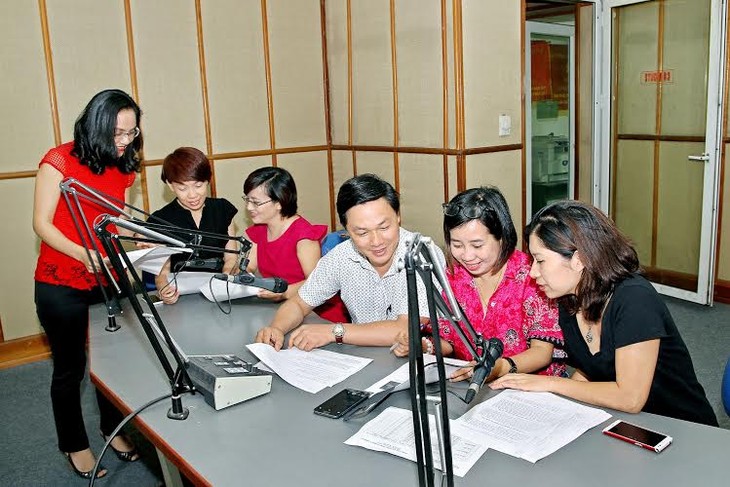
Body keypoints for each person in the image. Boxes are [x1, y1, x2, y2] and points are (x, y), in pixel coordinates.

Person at [490, 201, 718, 426]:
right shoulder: (568, 300)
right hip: (626, 424)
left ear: (579, 260)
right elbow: (591, 367)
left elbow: (630, 398)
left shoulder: (634, 299)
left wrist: (551, 384)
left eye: (540, 260)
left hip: (682, 427)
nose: (532, 272)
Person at [33, 89, 142, 479]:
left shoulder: (124, 165)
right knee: (70, 367)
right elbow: (42, 224)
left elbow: (112, 218)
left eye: (131, 133)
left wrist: (137, 238)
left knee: (110, 364)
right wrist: (82, 253)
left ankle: (110, 430)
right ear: (95, 125)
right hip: (60, 279)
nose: (124, 141)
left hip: (105, 277)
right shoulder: (59, 160)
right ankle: (74, 443)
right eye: (117, 133)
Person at [254, 173, 444, 351]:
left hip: (416, 363)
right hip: (362, 355)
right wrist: (276, 328)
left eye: (384, 227)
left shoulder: (421, 253)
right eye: (362, 233)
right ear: (346, 231)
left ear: (398, 217)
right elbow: (299, 303)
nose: (376, 241)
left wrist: (334, 332)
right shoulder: (341, 257)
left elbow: (406, 329)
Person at [393, 187, 565, 381]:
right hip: (472, 385)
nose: (467, 256)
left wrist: (498, 368)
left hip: (530, 387)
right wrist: (424, 346)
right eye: (457, 245)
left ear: (501, 236)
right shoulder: (454, 276)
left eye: (477, 245)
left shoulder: (530, 276)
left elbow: (542, 352)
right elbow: (452, 340)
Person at [242, 167, 348, 322]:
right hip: (279, 307)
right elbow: (248, 267)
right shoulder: (260, 230)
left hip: (316, 314)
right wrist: (243, 276)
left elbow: (318, 282)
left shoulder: (303, 236)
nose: (249, 207)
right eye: (248, 200)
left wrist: (284, 293)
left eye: (256, 203)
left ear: (279, 202)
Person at [148, 147, 238, 304]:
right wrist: (164, 290)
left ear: (208, 180)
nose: (192, 195)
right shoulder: (160, 219)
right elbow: (162, 273)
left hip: (219, 294)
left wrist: (224, 279)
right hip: (182, 298)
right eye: (182, 188)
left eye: (198, 185)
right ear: (170, 185)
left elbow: (231, 258)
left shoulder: (223, 209)